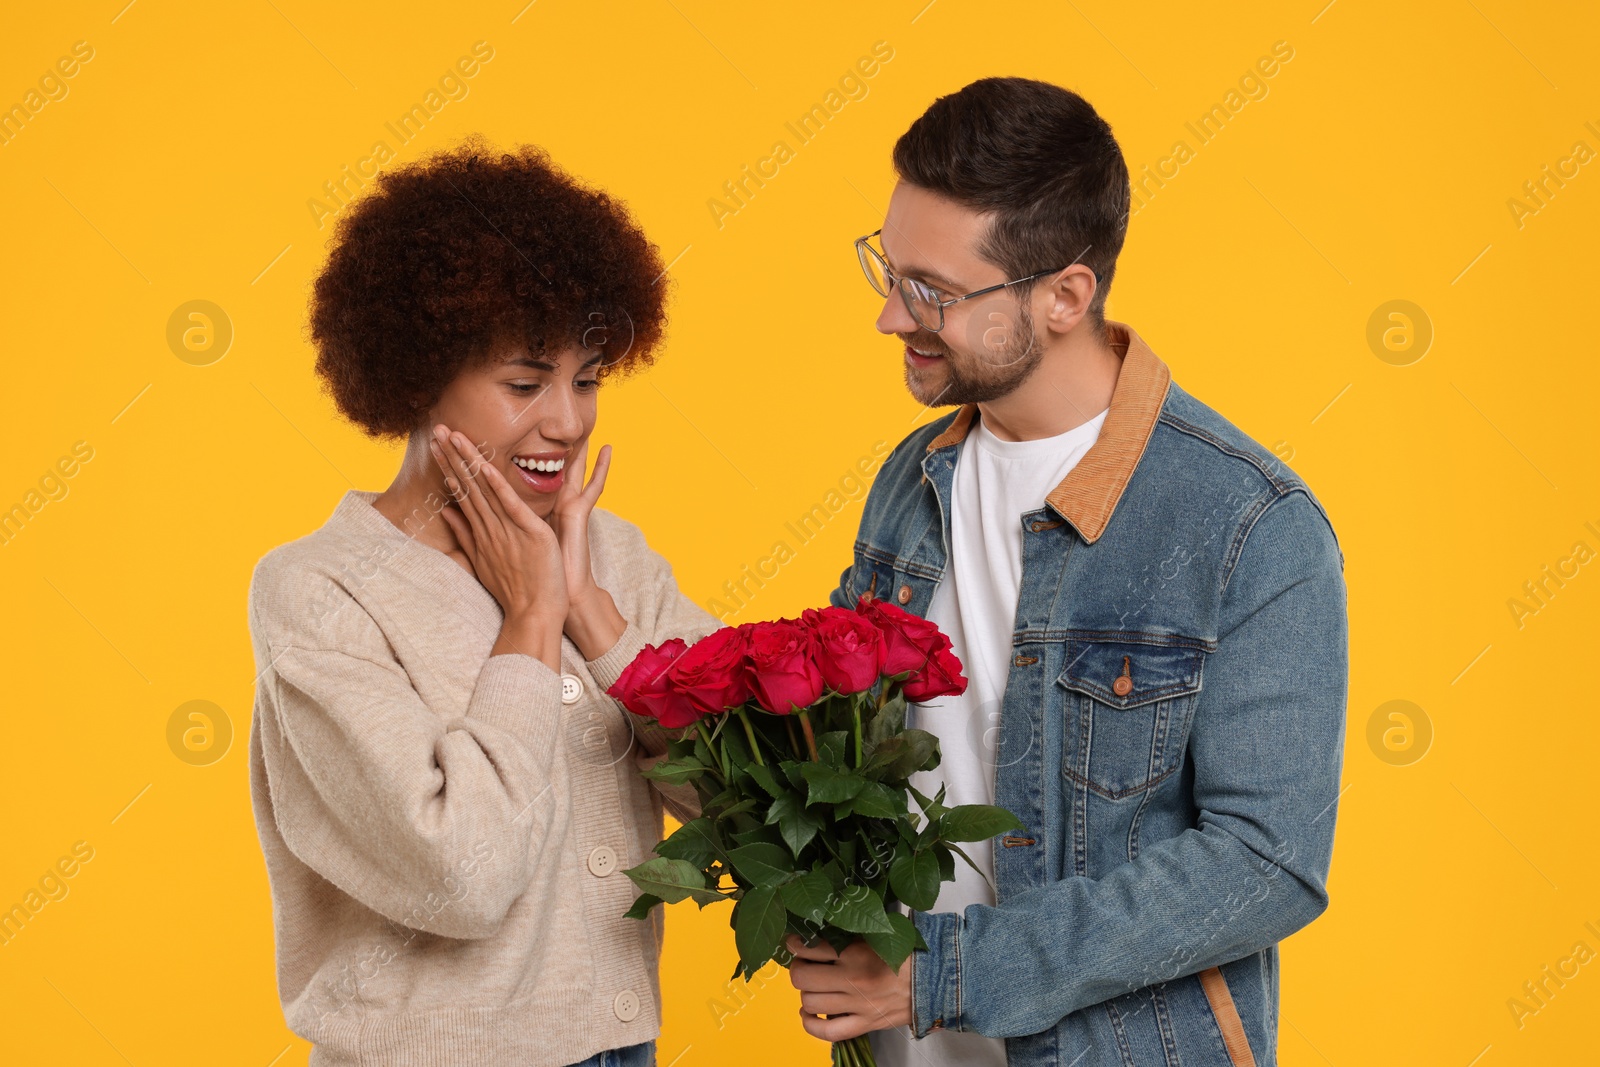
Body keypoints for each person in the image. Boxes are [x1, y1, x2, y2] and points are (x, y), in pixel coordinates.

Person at [783, 77, 1349, 1067]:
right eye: (887, 267)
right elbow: (826, 752)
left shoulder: (1247, 524)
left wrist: (938, 972)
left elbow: (1266, 863)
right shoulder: (910, 481)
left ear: (1063, 295)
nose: (887, 316)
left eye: (932, 291)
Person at [245, 138, 715, 1067]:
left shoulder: (612, 555)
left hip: (628, 1047)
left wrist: (593, 614)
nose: (569, 421)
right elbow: (460, 876)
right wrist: (533, 621)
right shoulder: (320, 593)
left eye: (587, 379)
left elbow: (736, 801)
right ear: (420, 378)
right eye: (524, 382)